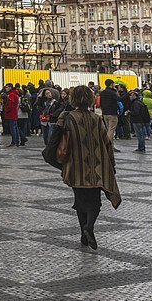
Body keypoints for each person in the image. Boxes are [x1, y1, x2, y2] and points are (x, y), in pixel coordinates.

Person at [55, 84, 120, 249]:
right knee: (94, 203)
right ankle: (88, 228)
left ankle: (84, 233)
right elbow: (107, 143)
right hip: (96, 166)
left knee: (80, 201)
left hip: (75, 166)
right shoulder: (96, 118)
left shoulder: (68, 117)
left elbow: (55, 140)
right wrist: (111, 164)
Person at [98, 80, 119, 148]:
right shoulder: (112, 92)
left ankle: (111, 145)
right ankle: (109, 145)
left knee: (108, 129)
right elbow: (119, 99)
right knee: (111, 130)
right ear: (111, 84)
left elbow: (100, 103)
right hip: (112, 113)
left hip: (105, 113)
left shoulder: (103, 92)